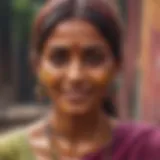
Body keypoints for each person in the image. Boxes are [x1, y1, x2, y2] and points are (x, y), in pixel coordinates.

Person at [0, 0, 160, 160]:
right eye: (59, 58)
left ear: (117, 65)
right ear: (37, 65)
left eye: (93, 58)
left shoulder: (148, 149)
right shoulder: (7, 153)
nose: (75, 76)